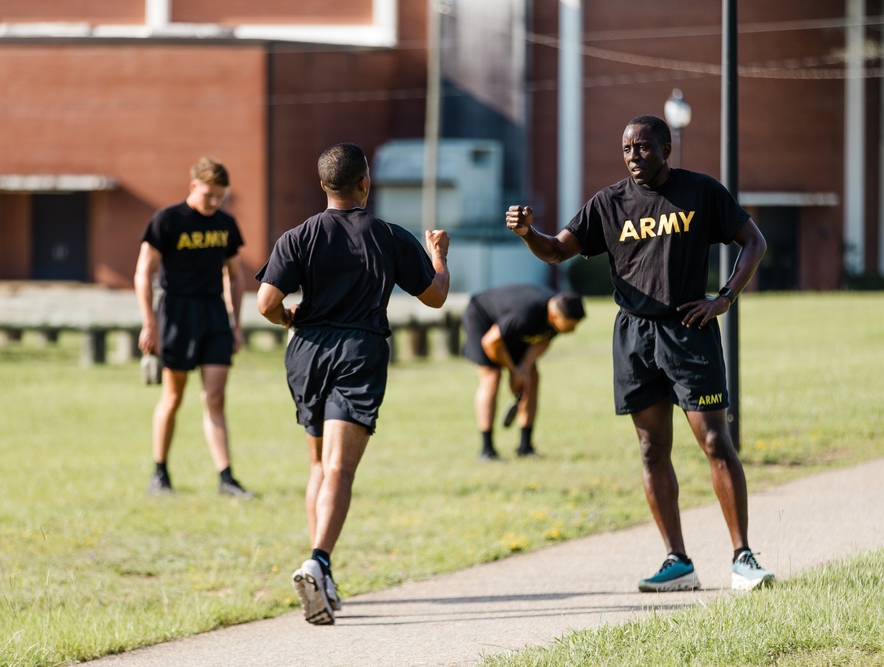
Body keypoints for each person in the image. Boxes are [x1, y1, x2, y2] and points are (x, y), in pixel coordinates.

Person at [506, 114, 775, 593]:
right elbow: (555, 251)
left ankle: (743, 558)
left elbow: (753, 241)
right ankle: (678, 562)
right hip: (634, 337)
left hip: (689, 331)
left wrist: (724, 297)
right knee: (651, 449)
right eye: (628, 148)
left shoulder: (700, 192)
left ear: (667, 150)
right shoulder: (608, 204)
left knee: (715, 441)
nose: (634, 156)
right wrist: (528, 232)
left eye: (644, 147)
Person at [255, 142, 450, 625]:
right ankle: (318, 562)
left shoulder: (298, 236)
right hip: (359, 351)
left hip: (306, 352)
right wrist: (438, 256)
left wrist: (287, 317)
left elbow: (264, 303)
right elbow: (436, 298)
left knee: (320, 466)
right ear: (366, 182)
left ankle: (323, 570)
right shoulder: (388, 235)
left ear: (324, 186)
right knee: (341, 468)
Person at [134, 157, 253, 499]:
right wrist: (149, 322)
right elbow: (143, 272)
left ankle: (226, 478)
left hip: (214, 314)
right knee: (173, 396)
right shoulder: (167, 220)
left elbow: (235, 275)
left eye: (221, 196)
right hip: (176, 312)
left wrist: (235, 324)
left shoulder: (226, 224)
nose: (214, 202)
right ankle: (160, 472)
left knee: (215, 397)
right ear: (193, 187)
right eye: (209, 195)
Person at [463, 285, 585, 460]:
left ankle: (525, 447)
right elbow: (491, 342)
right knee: (492, 375)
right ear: (553, 316)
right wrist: (514, 372)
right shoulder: (526, 313)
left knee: (532, 376)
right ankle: (487, 450)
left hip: (512, 328)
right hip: (482, 316)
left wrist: (524, 368)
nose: (573, 331)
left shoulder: (560, 306)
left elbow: (544, 339)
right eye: (570, 326)